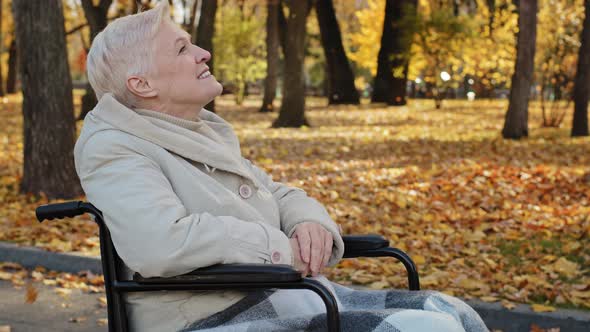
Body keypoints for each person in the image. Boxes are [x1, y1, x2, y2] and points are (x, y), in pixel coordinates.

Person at [74, 2, 488, 331]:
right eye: (182, 48)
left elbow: (276, 192)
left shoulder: (199, 131)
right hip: (209, 316)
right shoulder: (114, 146)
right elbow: (161, 243)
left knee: (449, 311)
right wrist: (277, 249)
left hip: (284, 294)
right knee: (424, 328)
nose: (203, 53)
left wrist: (309, 226)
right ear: (142, 85)